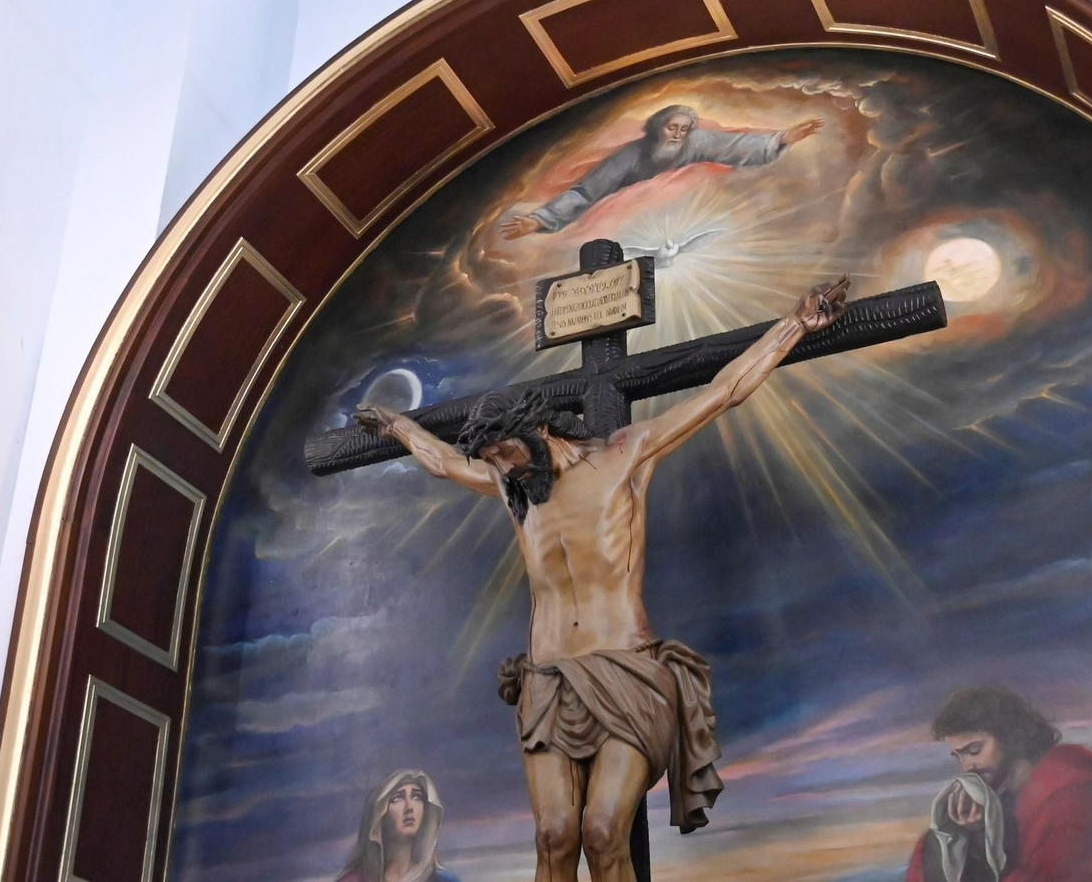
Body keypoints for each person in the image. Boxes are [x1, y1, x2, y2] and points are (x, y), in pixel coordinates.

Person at [356, 274, 851, 882]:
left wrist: (795, 325)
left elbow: (723, 392)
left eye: (505, 451)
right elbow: (441, 462)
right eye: (490, 460)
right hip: (547, 681)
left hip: (625, 670)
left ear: (537, 429)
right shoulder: (513, 488)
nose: (500, 467)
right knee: (553, 836)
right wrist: (397, 427)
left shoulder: (624, 455)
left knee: (602, 831)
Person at [906, 686, 1092, 882]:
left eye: (975, 750)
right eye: (959, 756)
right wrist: (974, 838)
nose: (968, 767)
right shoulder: (996, 798)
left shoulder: (1078, 786)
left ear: (1010, 736)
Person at [498, 105, 823, 238]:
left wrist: (782, 139)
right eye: (672, 128)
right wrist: (539, 220)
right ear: (658, 128)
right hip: (629, 219)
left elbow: (734, 146)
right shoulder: (629, 156)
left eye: (684, 129)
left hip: (684, 212)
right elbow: (586, 191)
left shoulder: (697, 142)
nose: (678, 135)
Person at [336, 769, 461, 882]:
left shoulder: (443, 880)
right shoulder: (354, 880)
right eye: (397, 798)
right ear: (380, 815)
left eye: (417, 797)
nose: (409, 807)